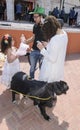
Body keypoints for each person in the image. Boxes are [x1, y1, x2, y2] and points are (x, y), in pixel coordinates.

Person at [37, 15, 68, 83]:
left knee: (47, 90)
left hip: (50, 71)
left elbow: (52, 58)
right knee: (53, 90)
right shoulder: (64, 34)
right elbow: (57, 49)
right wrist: (48, 45)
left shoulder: (55, 39)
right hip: (57, 69)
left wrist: (42, 49)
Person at [24, 6, 46, 79]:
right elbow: (33, 37)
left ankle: (40, 84)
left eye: (36, 17)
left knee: (42, 69)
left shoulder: (46, 26)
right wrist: (25, 42)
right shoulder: (35, 26)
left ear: (41, 17)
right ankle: (31, 82)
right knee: (32, 69)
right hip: (34, 51)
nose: (34, 19)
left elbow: (50, 39)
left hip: (43, 52)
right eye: (34, 17)